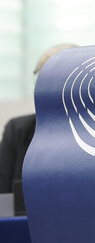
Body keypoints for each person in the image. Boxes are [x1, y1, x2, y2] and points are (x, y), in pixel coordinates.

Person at [0, 44, 76, 195]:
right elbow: (3, 196)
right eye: (43, 79)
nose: (53, 88)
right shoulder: (17, 131)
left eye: (62, 79)